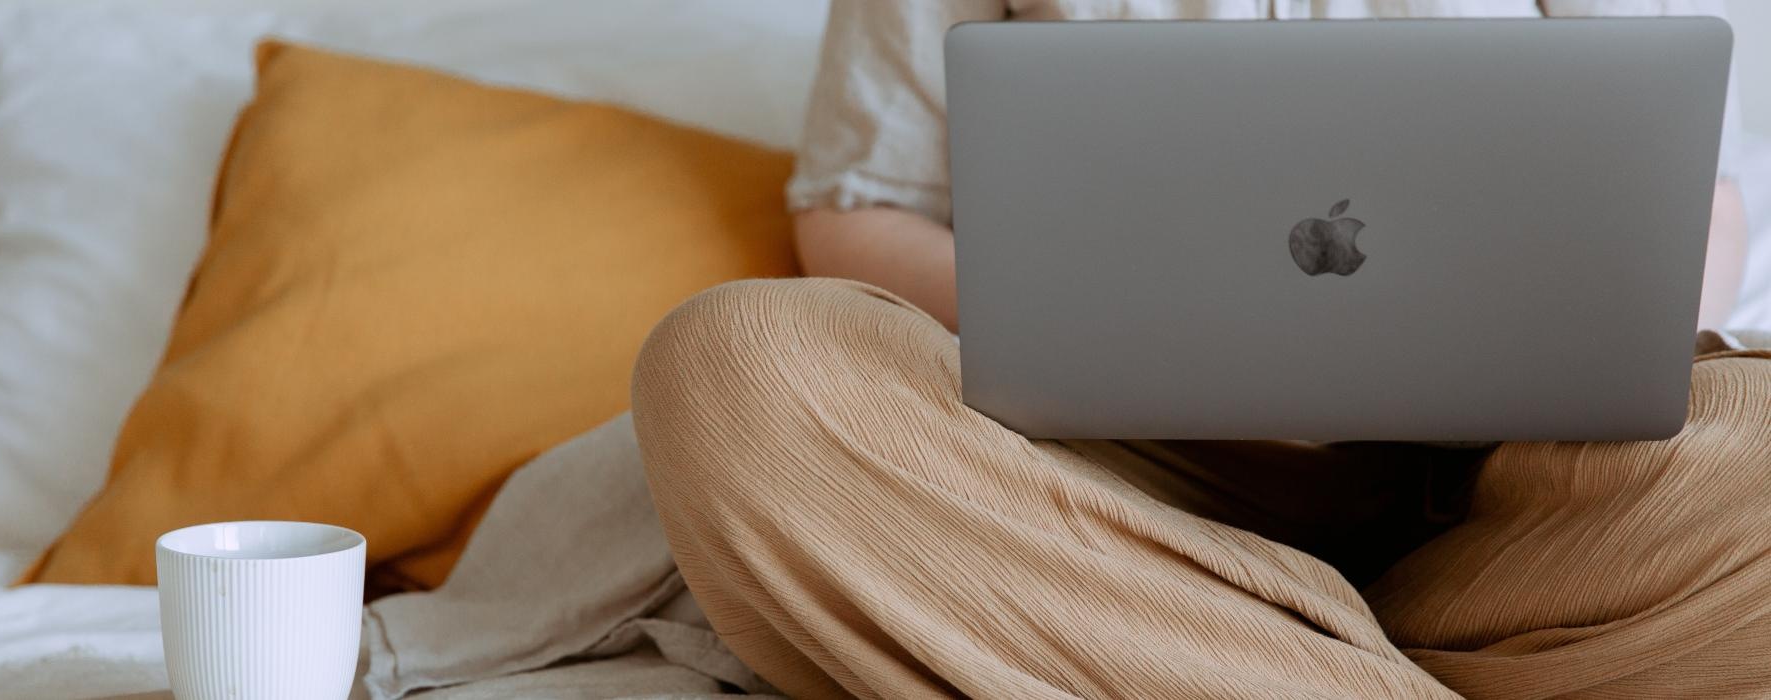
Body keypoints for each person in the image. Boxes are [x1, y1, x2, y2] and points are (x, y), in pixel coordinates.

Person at [632, 2, 1770, 697]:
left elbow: (1692, 188)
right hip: (1101, 476)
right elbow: (858, 208)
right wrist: (1089, 324)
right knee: (737, 363)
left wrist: (1592, 347)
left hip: (1513, 491)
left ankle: (1179, 654)